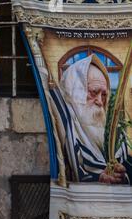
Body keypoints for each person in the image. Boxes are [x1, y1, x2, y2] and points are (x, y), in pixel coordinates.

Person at [50, 54, 132, 184]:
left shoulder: (114, 133)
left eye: (104, 95)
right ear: (76, 92)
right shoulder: (64, 128)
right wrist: (99, 178)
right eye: (93, 92)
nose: (100, 101)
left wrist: (121, 173)